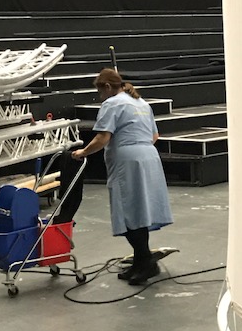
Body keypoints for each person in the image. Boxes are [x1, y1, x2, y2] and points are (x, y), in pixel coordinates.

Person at [72, 68, 173, 285]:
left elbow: (102, 138)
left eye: (100, 92)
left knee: (128, 212)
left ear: (108, 87)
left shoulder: (112, 104)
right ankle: (140, 261)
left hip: (128, 162)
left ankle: (146, 262)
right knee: (140, 211)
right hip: (149, 157)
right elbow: (155, 135)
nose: (101, 97)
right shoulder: (141, 103)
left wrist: (83, 152)